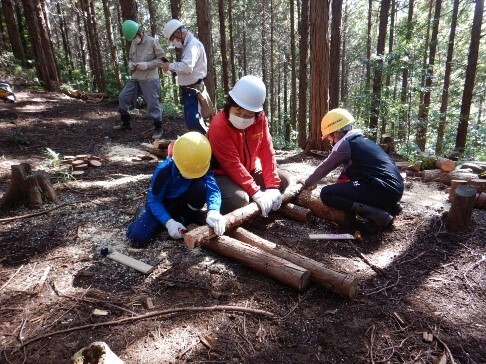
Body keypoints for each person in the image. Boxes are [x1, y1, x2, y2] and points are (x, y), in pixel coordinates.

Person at [298, 108, 404, 229]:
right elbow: (347, 173)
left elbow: (326, 167)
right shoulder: (361, 141)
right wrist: (339, 186)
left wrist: (307, 183)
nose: (329, 140)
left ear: (336, 133)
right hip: (394, 188)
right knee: (344, 189)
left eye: (329, 137)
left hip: (383, 189)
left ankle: (377, 215)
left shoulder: (345, 144)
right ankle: (390, 207)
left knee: (327, 193)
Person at [206, 75, 290, 216]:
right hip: (222, 174)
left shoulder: (260, 119)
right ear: (230, 104)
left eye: (249, 114)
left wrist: (272, 186)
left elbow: (266, 150)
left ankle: (251, 192)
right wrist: (255, 192)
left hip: (248, 169)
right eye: (238, 110)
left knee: (283, 180)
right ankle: (213, 212)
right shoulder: (219, 125)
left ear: (256, 113)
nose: (242, 117)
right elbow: (231, 164)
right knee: (239, 200)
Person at [126, 132, 226, 247]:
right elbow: (154, 200)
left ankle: (184, 219)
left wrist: (214, 210)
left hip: (185, 201)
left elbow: (213, 189)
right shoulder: (164, 170)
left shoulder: (202, 163)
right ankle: (145, 214)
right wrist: (168, 222)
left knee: (201, 187)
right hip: (165, 203)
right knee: (138, 238)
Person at [114, 20, 164, 140]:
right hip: (136, 77)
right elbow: (131, 58)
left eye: (134, 37)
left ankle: (158, 128)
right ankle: (126, 123)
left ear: (140, 33)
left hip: (150, 78)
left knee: (152, 103)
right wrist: (131, 64)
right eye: (132, 39)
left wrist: (147, 65)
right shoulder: (133, 43)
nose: (134, 40)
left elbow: (163, 59)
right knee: (123, 97)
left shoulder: (152, 42)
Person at [161, 19, 208, 135]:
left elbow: (187, 67)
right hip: (190, 90)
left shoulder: (193, 45)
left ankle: (207, 147)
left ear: (178, 33)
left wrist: (170, 66)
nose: (173, 42)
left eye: (172, 39)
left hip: (194, 90)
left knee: (194, 122)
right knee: (191, 121)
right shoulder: (188, 45)